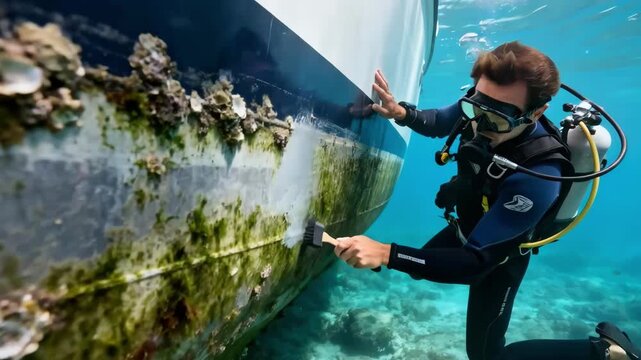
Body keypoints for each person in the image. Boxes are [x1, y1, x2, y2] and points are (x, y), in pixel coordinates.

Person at [332, 41, 640, 360]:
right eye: (475, 107)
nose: (479, 123)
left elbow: (475, 264)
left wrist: (385, 252)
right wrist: (402, 113)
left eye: (499, 118)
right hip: (469, 223)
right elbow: (440, 120)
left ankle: (603, 352)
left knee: (486, 357)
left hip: (496, 254)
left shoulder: (539, 174)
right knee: (417, 267)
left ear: (536, 113)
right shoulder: (481, 106)